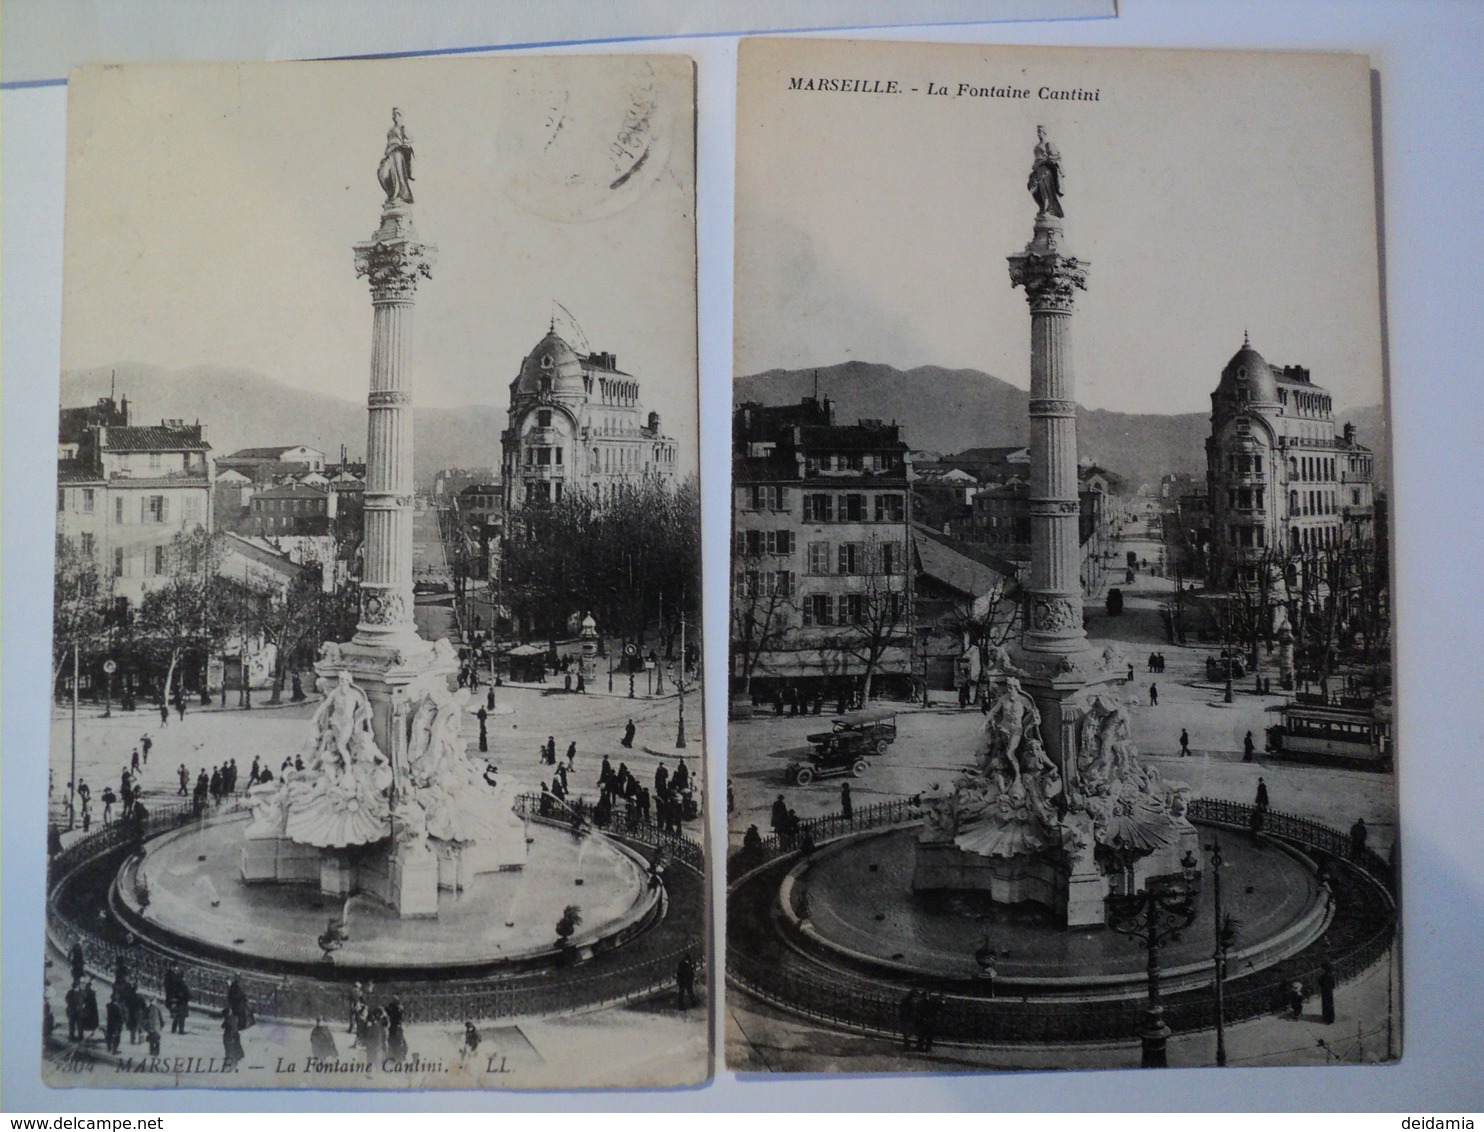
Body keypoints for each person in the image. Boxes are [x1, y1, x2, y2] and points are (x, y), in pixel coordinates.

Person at [378, 108, 415, 204]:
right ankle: (391, 194)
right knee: (383, 174)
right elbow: (388, 143)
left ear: (400, 116)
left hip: (398, 154)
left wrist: (405, 145)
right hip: (390, 154)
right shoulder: (390, 131)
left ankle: (399, 195)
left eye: (396, 115)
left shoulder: (403, 129)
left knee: (398, 175)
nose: (394, 117)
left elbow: (410, 140)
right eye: (393, 115)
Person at [1028, 125, 1066, 218]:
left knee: (1046, 191)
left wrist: (1046, 160)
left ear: (1044, 133)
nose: (1038, 133)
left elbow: (1057, 157)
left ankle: (1047, 209)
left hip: (1045, 171)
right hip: (1037, 170)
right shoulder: (1036, 147)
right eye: (1038, 131)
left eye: (1040, 131)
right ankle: (1042, 208)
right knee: (1035, 190)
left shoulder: (1048, 144)